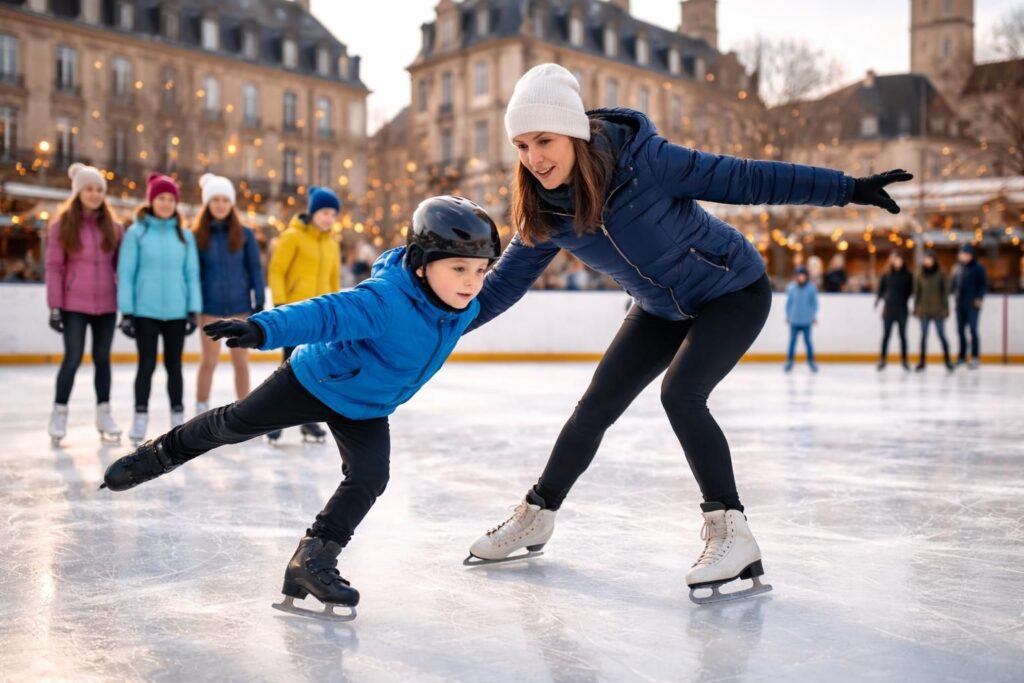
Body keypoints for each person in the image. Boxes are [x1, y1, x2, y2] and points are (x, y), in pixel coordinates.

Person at [462, 63, 912, 604]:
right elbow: (499, 289)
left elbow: (748, 178)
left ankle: (731, 533)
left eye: (544, 140)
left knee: (680, 393)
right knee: (595, 406)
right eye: (521, 145)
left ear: (575, 132)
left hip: (733, 291)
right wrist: (434, 326)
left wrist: (849, 188)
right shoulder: (546, 212)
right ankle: (537, 515)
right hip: (660, 308)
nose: (534, 158)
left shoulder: (647, 162)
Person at [100, 196, 501, 621]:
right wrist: (262, 327)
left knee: (370, 477)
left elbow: (509, 281)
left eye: (480, 270)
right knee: (236, 423)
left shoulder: (464, 307)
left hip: (367, 406)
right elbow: (325, 313)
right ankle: (160, 453)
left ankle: (312, 560)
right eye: (459, 268)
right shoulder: (386, 299)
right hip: (314, 381)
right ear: (421, 263)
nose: (472, 282)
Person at [117, 173, 202, 444]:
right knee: (146, 364)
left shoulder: (185, 236)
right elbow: (126, 272)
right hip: (145, 311)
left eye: (170, 199)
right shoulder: (136, 233)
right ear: (151, 201)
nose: (166, 203)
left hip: (177, 311)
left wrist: (193, 309)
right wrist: (127, 312)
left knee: (174, 365)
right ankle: (140, 416)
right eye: (161, 198)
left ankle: (178, 415)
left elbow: (192, 273)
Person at [44, 163, 124, 446]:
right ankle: (59, 413)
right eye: (89, 189)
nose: (94, 194)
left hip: (106, 303)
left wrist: (125, 305)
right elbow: (54, 267)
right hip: (73, 303)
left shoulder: (114, 228)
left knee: (103, 359)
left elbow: (121, 268)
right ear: (78, 191)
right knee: (73, 358)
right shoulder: (61, 226)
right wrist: (55, 305)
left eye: (99, 189)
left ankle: (104, 413)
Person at [265, 186, 342, 444]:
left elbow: (333, 281)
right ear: (312, 212)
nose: (329, 218)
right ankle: (273, 420)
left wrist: (335, 315)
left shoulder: (332, 244)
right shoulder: (292, 237)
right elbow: (277, 270)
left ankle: (307, 423)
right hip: (294, 315)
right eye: (324, 212)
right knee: (289, 372)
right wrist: (280, 304)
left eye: (333, 213)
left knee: (314, 372)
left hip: (320, 320)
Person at [192, 174, 266, 415]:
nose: (220, 205)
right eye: (215, 200)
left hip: (239, 306)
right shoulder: (197, 235)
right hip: (210, 308)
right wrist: (193, 306)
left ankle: (244, 410)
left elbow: (255, 268)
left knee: (240, 362)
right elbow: (193, 273)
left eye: (225, 200)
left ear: (231, 203)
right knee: (209, 362)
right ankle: (201, 406)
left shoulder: (245, 234)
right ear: (208, 204)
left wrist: (259, 299)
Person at [913, 250, 954, 372]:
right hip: (924, 310)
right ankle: (922, 361)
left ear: (934, 260)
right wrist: (916, 308)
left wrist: (946, 309)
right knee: (923, 336)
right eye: (926, 259)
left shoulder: (941, 274)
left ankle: (948, 361)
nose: (928, 261)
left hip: (938, 310)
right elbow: (917, 293)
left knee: (941, 335)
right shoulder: (919, 274)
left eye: (930, 259)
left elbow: (945, 293)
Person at [875, 252, 914, 371]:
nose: (897, 262)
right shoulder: (886, 275)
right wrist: (882, 299)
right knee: (886, 335)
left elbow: (910, 291)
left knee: (903, 336)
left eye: (899, 259)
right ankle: (883, 360)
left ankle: (904, 360)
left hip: (902, 309)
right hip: (889, 310)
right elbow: (880, 291)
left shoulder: (908, 275)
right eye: (895, 260)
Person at [951, 243, 988, 368]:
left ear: (971, 255)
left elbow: (983, 285)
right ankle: (961, 357)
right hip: (959, 305)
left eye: (966, 254)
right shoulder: (957, 268)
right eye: (962, 254)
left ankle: (975, 357)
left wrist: (979, 298)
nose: (964, 257)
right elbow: (954, 286)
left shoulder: (978, 268)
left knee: (973, 330)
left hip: (972, 305)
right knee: (960, 331)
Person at [784, 266, 819, 372]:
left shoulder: (811, 288)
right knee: (792, 341)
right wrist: (788, 315)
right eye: (799, 276)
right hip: (794, 320)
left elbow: (815, 303)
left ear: (806, 277)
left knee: (808, 341)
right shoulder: (791, 288)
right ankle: (789, 362)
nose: (801, 278)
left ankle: (811, 361)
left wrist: (813, 315)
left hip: (806, 320)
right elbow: (789, 303)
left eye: (803, 276)